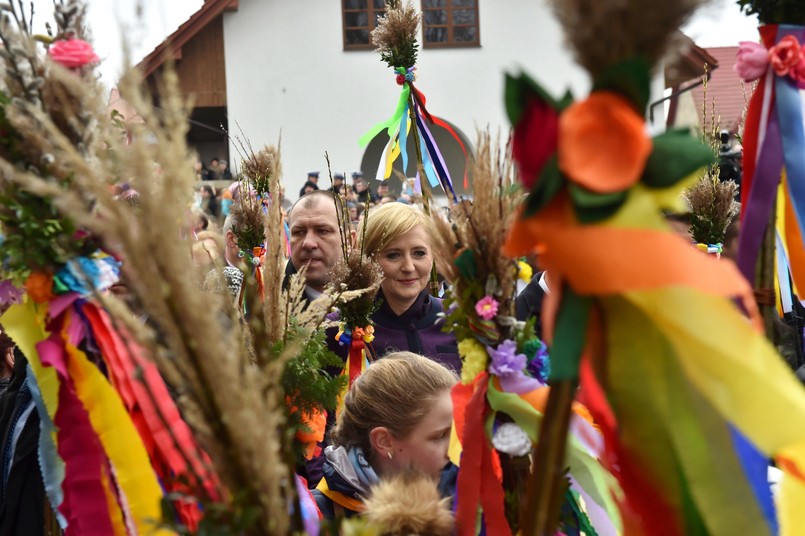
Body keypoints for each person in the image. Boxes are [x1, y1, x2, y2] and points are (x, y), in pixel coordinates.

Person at [312, 352, 458, 519]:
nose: (456, 449)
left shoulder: (465, 506)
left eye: (457, 432)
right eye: (439, 436)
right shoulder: (312, 519)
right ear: (384, 441)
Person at [334, 202, 460, 372]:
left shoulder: (459, 322)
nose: (408, 267)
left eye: (419, 253)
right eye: (393, 255)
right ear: (368, 261)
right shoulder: (339, 329)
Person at [287, 190, 355, 301]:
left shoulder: (377, 307)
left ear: (348, 242)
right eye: (299, 232)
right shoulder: (263, 315)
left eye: (322, 231)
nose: (308, 243)